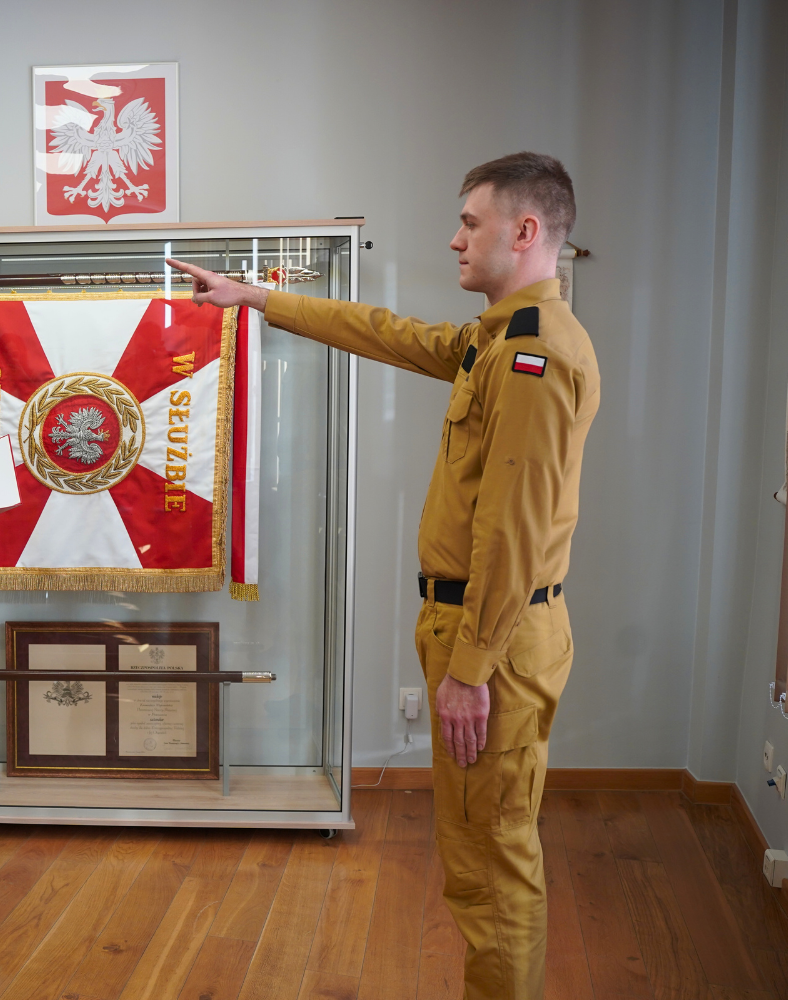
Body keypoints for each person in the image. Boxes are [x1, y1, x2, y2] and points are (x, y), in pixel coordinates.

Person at [170, 152, 599, 1000]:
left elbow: (512, 536)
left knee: (492, 865)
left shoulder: (535, 356)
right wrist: (255, 298)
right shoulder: (500, 337)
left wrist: (470, 670)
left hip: (492, 643)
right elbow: (394, 335)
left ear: (525, 230)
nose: (455, 240)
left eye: (470, 223)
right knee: (478, 850)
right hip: (479, 631)